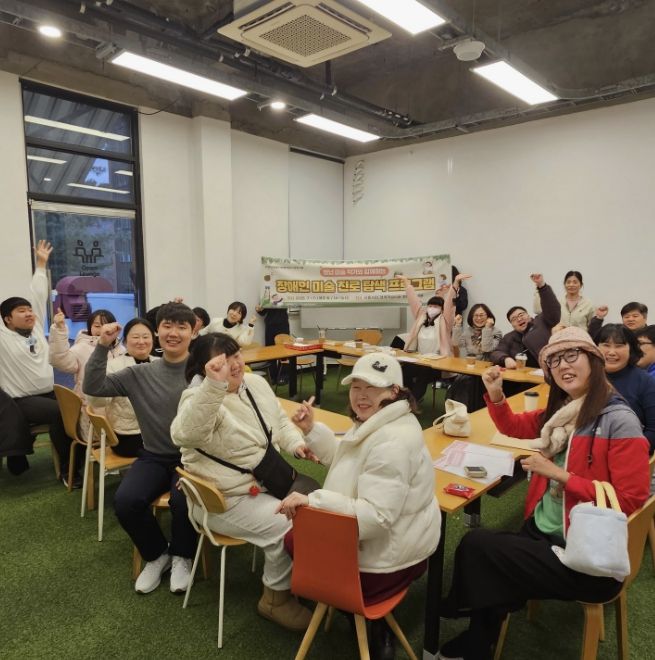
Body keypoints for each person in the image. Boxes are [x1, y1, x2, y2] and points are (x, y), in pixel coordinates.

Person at [438, 327, 650, 660]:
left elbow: (631, 499)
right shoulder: (565, 412)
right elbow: (514, 428)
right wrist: (496, 395)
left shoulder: (619, 421)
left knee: (478, 547)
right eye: (554, 361)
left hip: (588, 556)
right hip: (545, 530)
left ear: (593, 360)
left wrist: (559, 475)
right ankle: (479, 636)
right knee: (486, 553)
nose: (563, 365)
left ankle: (467, 626)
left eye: (571, 355)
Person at [278, 352, 441, 659]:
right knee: (296, 538)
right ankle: (366, 618)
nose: (361, 396)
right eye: (356, 387)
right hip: (397, 545)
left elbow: (376, 517)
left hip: (386, 564)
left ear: (394, 391)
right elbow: (351, 457)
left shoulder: (391, 439)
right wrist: (312, 430)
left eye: (372, 388)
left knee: (292, 540)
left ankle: (363, 615)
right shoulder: (383, 420)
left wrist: (313, 501)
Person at [170, 333, 317, 631]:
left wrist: (296, 444)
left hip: (264, 482)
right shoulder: (198, 398)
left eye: (236, 355)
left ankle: (305, 578)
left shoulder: (256, 383)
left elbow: (279, 421)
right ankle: (274, 601)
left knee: (317, 501)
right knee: (287, 523)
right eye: (222, 362)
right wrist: (214, 386)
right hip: (224, 500)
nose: (234, 364)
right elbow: (185, 434)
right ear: (205, 369)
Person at [83, 302, 198, 595]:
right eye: (167, 326)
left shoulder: (202, 372)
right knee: (126, 501)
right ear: (157, 331)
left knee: (183, 501)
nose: (173, 333)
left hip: (194, 458)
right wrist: (102, 346)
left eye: (181, 327)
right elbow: (94, 387)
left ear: (193, 332)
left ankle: (183, 556)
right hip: (154, 455)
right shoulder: (139, 373)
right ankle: (157, 554)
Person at [0, 240, 78, 484]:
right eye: (21, 311)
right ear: (7, 319)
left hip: (49, 392)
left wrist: (41, 265)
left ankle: (82, 457)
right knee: (61, 413)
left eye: (29, 309)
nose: (29, 313)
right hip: (22, 400)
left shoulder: (35, 329)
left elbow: (38, 294)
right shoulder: (3, 338)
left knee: (79, 406)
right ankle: (68, 469)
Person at [48, 307, 126, 440]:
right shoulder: (81, 348)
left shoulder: (121, 349)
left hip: (117, 408)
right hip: (91, 409)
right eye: (97, 326)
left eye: (106, 325)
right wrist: (59, 330)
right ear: (90, 327)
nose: (102, 330)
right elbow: (60, 361)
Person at [87, 318, 156, 457]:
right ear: (125, 341)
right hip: (129, 435)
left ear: (153, 340)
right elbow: (97, 401)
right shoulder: (114, 367)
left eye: (146, 337)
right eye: (135, 337)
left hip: (157, 430)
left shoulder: (159, 363)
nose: (141, 341)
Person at [399, 272, 468, 401]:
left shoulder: (445, 321)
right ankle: (407, 397)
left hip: (437, 364)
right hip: (419, 360)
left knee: (424, 373)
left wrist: (455, 284)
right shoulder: (421, 317)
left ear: (441, 309)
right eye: (430, 305)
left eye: (436, 306)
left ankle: (412, 402)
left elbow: (449, 304)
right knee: (404, 369)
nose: (432, 308)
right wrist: (407, 284)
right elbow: (413, 301)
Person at [595, 324, 655, 453]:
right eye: (606, 345)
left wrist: (626, 452)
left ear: (631, 349)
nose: (612, 352)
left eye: (619, 346)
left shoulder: (646, 382)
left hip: (628, 453)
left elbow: (653, 430)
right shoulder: (586, 377)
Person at [490, 273, 561, 369]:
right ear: (512, 325)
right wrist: (505, 359)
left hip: (552, 367)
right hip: (524, 375)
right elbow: (495, 353)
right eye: (514, 319)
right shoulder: (509, 337)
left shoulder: (541, 321)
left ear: (529, 316)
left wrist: (542, 286)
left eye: (521, 315)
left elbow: (552, 310)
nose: (519, 319)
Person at [449, 304, 503, 412]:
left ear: (488, 316)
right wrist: (457, 325)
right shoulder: (468, 331)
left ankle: (469, 411)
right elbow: (456, 343)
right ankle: (459, 412)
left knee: (467, 384)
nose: (478, 318)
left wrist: (487, 328)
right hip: (470, 369)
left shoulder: (496, 332)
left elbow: (486, 348)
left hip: (487, 371)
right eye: (476, 315)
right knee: (459, 384)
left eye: (482, 315)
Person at [533, 270, 607, 332]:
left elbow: (593, 329)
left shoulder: (588, 304)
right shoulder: (557, 302)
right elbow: (538, 310)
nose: (571, 285)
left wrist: (600, 317)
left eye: (575, 282)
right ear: (564, 284)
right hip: (559, 341)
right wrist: (539, 286)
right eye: (568, 282)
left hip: (580, 342)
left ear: (581, 285)